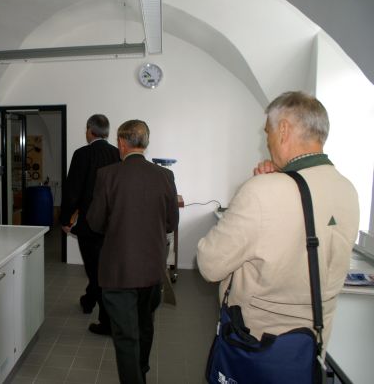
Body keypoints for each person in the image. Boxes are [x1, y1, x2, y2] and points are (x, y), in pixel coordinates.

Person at [197, 91, 359, 349]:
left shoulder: (262, 191)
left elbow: (209, 265)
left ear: (283, 130)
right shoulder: (347, 189)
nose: (267, 142)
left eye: (267, 133)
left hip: (258, 345)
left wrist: (262, 185)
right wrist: (281, 176)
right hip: (312, 347)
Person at [87, 119, 179, 384]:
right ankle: (142, 370)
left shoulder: (107, 175)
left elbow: (95, 222)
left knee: (126, 336)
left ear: (121, 143)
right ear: (145, 144)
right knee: (145, 325)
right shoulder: (165, 176)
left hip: (119, 270)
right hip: (152, 268)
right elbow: (171, 222)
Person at [60, 114, 120, 335]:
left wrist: (65, 220)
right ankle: (88, 300)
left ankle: (105, 319)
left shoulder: (82, 154)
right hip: (113, 223)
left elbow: (72, 190)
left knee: (95, 271)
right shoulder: (118, 154)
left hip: (89, 224)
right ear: (107, 131)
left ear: (89, 130)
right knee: (103, 269)